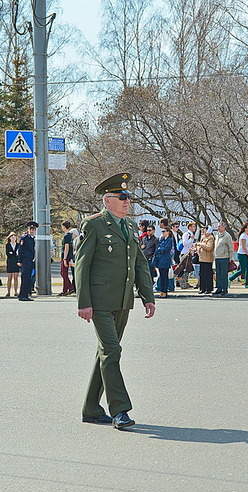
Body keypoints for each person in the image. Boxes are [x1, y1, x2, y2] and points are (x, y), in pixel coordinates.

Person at [75, 173, 156, 430]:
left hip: (122, 301)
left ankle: (90, 408)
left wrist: (147, 296)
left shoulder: (130, 227)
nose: (127, 202)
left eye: (128, 197)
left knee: (106, 354)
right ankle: (120, 410)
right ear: (107, 200)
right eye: (122, 198)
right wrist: (83, 302)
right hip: (99, 301)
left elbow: (139, 264)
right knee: (112, 351)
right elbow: (82, 265)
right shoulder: (94, 224)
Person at [17, 221, 37, 302]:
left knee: (28, 278)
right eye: (31, 229)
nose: (32, 231)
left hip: (30, 261)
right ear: (28, 230)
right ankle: (23, 295)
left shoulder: (32, 238)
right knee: (25, 278)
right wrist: (19, 260)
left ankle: (25, 294)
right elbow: (20, 250)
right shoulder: (24, 238)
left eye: (33, 229)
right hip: (25, 261)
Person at [229, 223, 248, 287]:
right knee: (242, 270)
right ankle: (230, 279)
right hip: (242, 254)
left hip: (246, 254)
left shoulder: (246, 235)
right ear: (245, 228)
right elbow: (244, 247)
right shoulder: (243, 236)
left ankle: (247, 283)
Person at [152, 228, 175, 297]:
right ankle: (162, 291)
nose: (163, 233)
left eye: (164, 231)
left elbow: (166, 249)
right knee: (161, 276)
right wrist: (159, 249)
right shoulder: (162, 239)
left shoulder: (170, 240)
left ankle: (164, 291)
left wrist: (160, 249)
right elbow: (158, 247)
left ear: (168, 232)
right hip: (160, 259)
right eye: (162, 231)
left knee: (165, 276)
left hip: (165, 260)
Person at [213, 222, 233, 296]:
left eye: (220, 226)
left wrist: (230, 258)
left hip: (224, 257)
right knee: (218, 274)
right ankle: (219, 288)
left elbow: (231, 248)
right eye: (218, 226)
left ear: (224, 227)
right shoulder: (217, 235)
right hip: (217, 257)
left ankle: (225, 289)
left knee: (223, 274)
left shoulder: (227, 236)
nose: (218, 228)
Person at [196, 226, 216, 294]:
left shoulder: (211, 238)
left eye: (205, 230)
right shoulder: (203, 237)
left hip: (208, 259)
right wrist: (198, 248)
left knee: (208, 274)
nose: (204, 231)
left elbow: (209, 247)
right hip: (201, 258)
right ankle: (202, 288)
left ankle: (209, 288)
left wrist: (200, 244)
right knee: (202, 274)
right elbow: (198, 245)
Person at [59, 220, 76, 296]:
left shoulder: (67, 236)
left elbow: (67, 247)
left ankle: (69, 288)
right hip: (68, 256)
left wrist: (65, 259)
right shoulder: (70, 235)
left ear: (64, 226)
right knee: (63, 273)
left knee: (63, 273)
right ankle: (67, 288)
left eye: (62, 226)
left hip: (66, 256)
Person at [5, 232, 20, 298]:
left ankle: (16, 292)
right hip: (10, 263)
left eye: (14, 236)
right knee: (9, 278)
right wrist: (14, 254)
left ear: (16, 238)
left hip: (16, 263)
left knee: (16, 278)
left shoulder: (18, 245)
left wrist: (13, 253)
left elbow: (19, 254)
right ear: (9, 238)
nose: (13, 237)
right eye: (12, 236)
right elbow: (8, 254)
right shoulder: (7, 245)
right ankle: (8, 292)